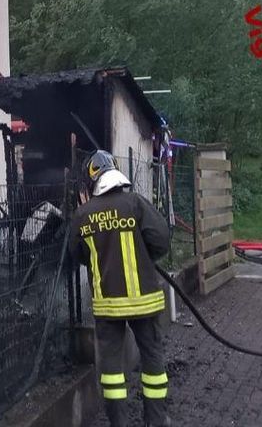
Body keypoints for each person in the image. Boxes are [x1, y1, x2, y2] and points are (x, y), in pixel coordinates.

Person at [69, 150, 174, 427]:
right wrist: (144, 256)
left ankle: (119, 423)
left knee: (112, 371)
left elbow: (77, 255)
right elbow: (161, 240)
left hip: (108, 305)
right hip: (145, 301)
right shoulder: (135, 203)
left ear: (92, 179)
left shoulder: (83, 215)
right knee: (152, 359)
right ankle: (156, 419)